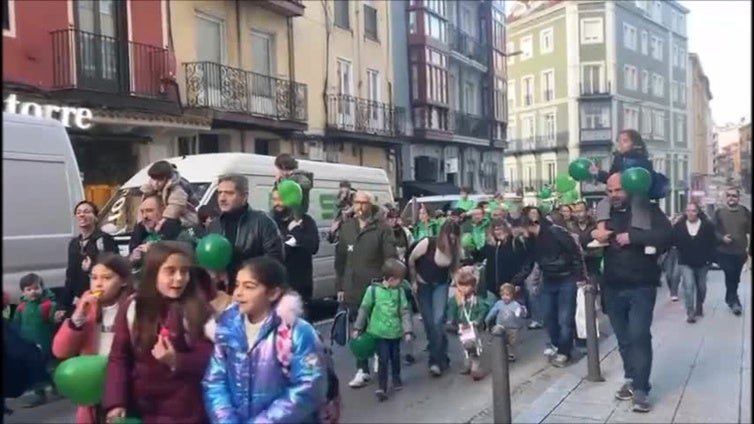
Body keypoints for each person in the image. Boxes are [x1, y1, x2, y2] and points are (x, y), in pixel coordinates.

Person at [202, 257, 328, 423]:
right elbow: (214, 381)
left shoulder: (296, 331)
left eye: (249, 287)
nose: (238, 293)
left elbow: (309, 386)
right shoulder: (227, 328)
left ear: (273, 293)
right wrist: (226, 420)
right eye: (237, 284)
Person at [103, 241, 214, 423]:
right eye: (170, 271)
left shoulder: (199, 309)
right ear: (154, 272)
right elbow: (119, 357)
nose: (179, 278)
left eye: (184, 271)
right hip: (145, 408)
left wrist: (177, 360)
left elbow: (214, 357)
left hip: (187, 411)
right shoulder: (134, 307)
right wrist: (116, 402)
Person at [593, 173, 671, 413]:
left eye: (618, 190)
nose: (613, 195)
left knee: (638, 335)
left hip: (641, 285)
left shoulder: (647, 209)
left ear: (630, 189)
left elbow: (667, 236)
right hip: (613, 286)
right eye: (610, 191)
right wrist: (594, 235)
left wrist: (633, 236)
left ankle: (640, 390)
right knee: (624, 339)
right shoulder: (604, 214)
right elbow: (584, 237)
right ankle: (631, 378)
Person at [52, 253, 135, 423]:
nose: (98, 283)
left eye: (106, 278)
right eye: (94, 277)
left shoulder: (134, 306)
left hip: (124, 389)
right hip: (92, 389)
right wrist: (78, 317)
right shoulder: (87, 305)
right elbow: (60, 350)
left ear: (124, 281)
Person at [334, 191, 397, 388]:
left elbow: (390, 257)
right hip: (352, 288)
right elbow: (340, 260)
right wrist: (340, 286)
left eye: (364, 203)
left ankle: (379, 355)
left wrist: (387, 280)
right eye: (357, 202)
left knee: (376, 325)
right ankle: (362, 369)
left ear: (371, 205)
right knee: (357, 328)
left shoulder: (382, 229)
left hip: (375, 287)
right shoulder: (347, 228)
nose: (360, 207)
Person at [511, 208, 585, 368]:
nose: (520, 237)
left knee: (565, 318)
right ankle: (560, 345)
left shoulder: (555, 232)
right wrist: (516, 281)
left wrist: (579, 277)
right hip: (549, 279)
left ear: (527, 226)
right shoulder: (531, 242)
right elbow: (529, 263)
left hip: (566, 278)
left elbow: (575, 253)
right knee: (548, 317)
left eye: (521, 232)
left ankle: (564, 351)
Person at [208, 173, 284, 292]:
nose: (222, 198)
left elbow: (275, 261)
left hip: (254, 292)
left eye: (229, 193)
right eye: (220, 193)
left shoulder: (262, 222)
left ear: (244, 197)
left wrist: (246, 274)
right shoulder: (214, 225)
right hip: (223, 294)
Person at [589, 129, 667, 245]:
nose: (620, 144)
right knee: (603, 204)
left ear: (634, 143)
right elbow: (612, 178)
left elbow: (646, 177)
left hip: (638, 193)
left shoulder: (642, 159)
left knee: (639, 205)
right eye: (619, 141)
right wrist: (598, 174)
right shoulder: (618, 158)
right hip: (623, 190)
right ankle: (601, 232)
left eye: (625, 141)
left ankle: (641, 238)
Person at [352, 259, 413, 401]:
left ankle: (396, 378)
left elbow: (404, 311)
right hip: (379, 333)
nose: (401, 283)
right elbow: (364, 309)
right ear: (391, 279)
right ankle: (382, 386)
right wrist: (358, 327)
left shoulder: (399, 292)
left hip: (395, 333)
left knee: (395, 357)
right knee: (383, 359)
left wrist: (407, 330)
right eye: (400, 280)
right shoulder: (373, 291)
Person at [408, 221, 463, 377]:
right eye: (449, 238)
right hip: (423, 285)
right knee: (429, 323)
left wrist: (459, 286)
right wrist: (413, 280)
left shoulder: (455, 250)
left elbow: (453, 270)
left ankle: (435, 361)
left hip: (440, 285)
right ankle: (441, 356)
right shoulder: (428, 243)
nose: (451, 241)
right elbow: (411, 259)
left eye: (454, 238)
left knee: (438, 320)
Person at [13, 273, 64, 407]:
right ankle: (40, 394)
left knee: (48, 367)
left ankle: (56, 388)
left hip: (44, 342)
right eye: (29, 290)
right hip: (28, 344)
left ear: (42, 288)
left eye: (36, 288)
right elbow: (16, 324)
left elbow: (53, 321)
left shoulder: (48, 305)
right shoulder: (21, 307)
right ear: (23, 292)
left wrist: (57, 318)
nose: (33, 292)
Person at [61, 200, 120, 316]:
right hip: (79, 300)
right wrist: (63, 305)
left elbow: (114, 269)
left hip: (99, 299)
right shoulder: (74, 243)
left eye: (86, 212)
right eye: (78, 212)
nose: (82, 215)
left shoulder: (104, 240)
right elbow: (70, 276)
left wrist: (91, 268)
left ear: (95, 217)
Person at [270, 188, 320, 318]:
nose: (277, 203)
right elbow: (275, 251)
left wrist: (296, 230)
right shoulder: (269, 223)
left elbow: (313, 246)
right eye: (274, 199)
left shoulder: (306, 222)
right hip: (276, 286)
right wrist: (291, 239)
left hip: (299, 288)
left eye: (280, 199)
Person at [671, 202, 716, 323]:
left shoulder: (707, 226)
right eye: (688, 210)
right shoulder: (679, 226)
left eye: (693, 211)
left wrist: (711, 259)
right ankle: (690, 312)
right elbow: (674, 241)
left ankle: (699, 306)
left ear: (698, 212)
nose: (690, 213)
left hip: (703, 262)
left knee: (701, 287)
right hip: (685, 261)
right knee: (688, 286)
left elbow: (713, 243)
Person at [712, 187, 752, 315]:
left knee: (735, 277)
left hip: (740, 251)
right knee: (729, 275)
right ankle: (734, 301)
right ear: (725, 197)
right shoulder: (719, 213)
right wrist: (722, 238)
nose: (731, 198)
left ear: (738, 198)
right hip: (724, 252)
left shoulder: (744, 212)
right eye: (728, 195)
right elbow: (712, 230)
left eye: (734, 196)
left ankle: (730, 297)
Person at [446, 266, 489, 380]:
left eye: (466, 286)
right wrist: (451, 320)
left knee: (474, 347)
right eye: (461, 285)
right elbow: (452, 309)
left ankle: (476, 367)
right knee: (465, 346)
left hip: (474, 327)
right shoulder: (457, 299)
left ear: (473, 286)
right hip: (462, 327)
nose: (463, 288)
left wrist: (478, 320)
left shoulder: (477, 299)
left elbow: (483, 309)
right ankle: (467, 363)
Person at [140, 160, 198, 230]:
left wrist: (162, 222)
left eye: (159, 180)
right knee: (139, 227)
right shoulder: (151, 189)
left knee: (168, 224)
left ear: (167, 179)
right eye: (153, 179)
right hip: (162, 218)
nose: (155, 183)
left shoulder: (177, 188)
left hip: (184, 220)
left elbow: (175, 207)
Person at [475, 219, 528, 296]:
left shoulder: (515, 243)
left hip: (511, 288)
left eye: (500, 229)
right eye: (495, 230)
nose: (498, 232)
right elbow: (478, 257)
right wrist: (472, 248)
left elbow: (524, 264)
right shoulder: (491, 246)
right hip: (492, 289)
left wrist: (517, 282)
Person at [485, 283, 526, 361]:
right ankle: (502, 353)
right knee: (501, 341)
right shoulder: (499, 304)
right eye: (503, 295)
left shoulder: (515, 305)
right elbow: (493, 312)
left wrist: (519, 314)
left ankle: (512, 353)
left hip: (513, 328)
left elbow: (519, 313)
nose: (505, 297)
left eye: (507, 295)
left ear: (512, 295)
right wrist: (487, 319)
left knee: (512, 342)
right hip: (501, 326)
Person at [273, 153, 314, 221]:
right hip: (285, 215)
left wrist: (288, 184)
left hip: (295, 217)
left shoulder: (297, 176)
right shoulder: (283, 179)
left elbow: (307, 184)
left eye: (277, 168)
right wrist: (278, 182)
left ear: (283, 167)